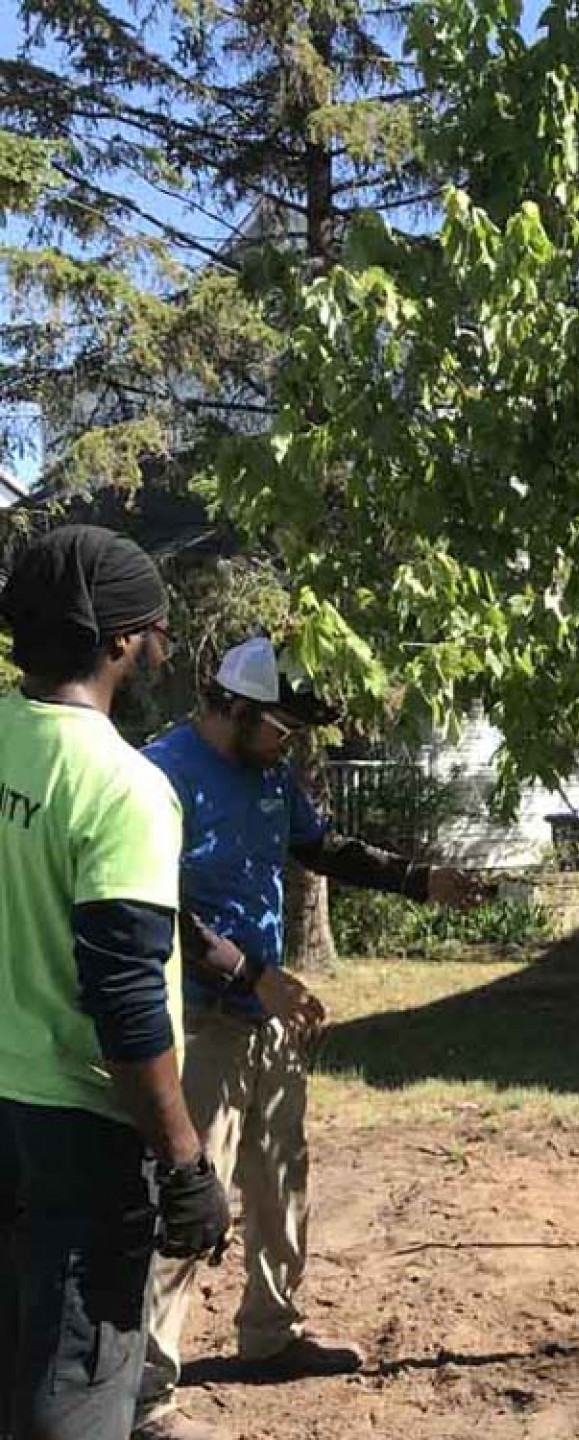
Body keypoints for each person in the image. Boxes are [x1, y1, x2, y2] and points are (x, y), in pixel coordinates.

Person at [133, 637, 489, 1440]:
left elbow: (320, 847)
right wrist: (251, 975)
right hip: (198, 1022)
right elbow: (149, 902)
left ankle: (270, 1334)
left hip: (268, 1020)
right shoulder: (163, 773)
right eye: (280, 728)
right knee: (190, 1200)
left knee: (280, 1180)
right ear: (235, 707)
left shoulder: (270, 776)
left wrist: (417, 880)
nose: (288, 745)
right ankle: (146, 1394)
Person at [0, 526, 231, 1440]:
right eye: (158, 632)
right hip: (79, 1135)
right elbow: (127, 1002)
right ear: (122, 640)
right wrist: (183, 1166)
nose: (160, 651)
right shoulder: (121, 786)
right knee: (76, 1385)